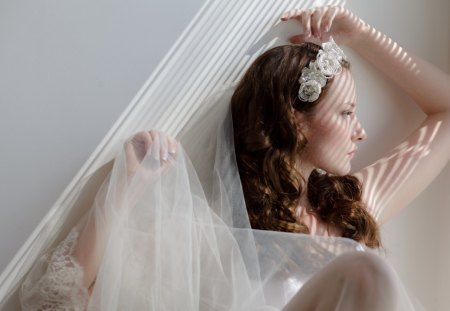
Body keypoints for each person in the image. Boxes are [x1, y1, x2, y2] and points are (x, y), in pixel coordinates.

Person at [17, 5, 450, 311]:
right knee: (365, 272)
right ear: (296, 123)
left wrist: (362, 35)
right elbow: (55, 304)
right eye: (346, 113)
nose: (362, 131)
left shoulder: (351, 207)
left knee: (365, 270)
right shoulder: (221, 231)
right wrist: (126, 187)